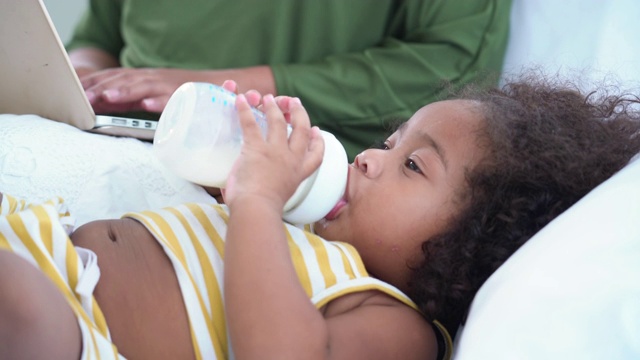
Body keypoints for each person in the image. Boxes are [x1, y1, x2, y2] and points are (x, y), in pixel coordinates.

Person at [1, 75, 639, 360]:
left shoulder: (397, 327)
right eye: (390, 143)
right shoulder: (300, 233)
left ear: (471, 242)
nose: (368, 159)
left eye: (413, 166)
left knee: (18, 306)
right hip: (43, 248)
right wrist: (239, 163)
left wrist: (256, 201)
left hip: (78, 333)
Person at [66, 0, 512, 159]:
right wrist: (82, 79)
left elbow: (449, 63)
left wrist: (221, 89)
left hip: (268, 182)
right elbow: (98, 35)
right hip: (99, 134)